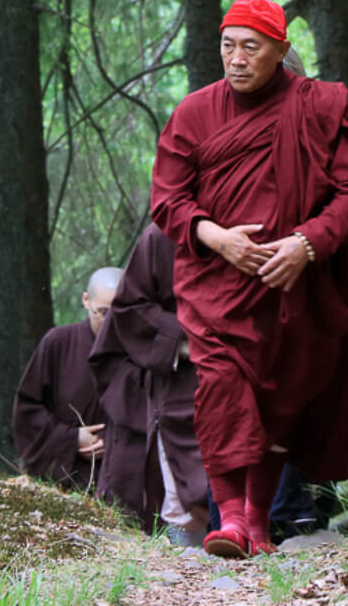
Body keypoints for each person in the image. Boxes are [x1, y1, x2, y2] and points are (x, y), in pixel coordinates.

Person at [150, 0, 348, 558]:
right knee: (222, 388)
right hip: (216, 285)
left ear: (281, 50)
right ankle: (230, 518)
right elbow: (167, 200)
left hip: (292, 282)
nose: (235, 59)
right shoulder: (194, 113)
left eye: (250, 48)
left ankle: (256, 522)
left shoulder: (320, 106)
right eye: (227, 46)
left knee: (280, 397)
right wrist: (217, 237)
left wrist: (308, 244)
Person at [89, 224, 208, 546]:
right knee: (185, 509)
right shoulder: (160, 239)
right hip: (168, 405)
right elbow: (110, 364)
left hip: (224, 391)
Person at [12, 268, 120, 492]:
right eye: (103, 312)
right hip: (65, 480)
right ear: (86, 301)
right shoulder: (58, 342)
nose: (111, 322)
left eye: (119, 313)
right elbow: (27, 411)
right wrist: (72, 439)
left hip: (121, 479)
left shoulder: (139, 351)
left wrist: (111, 440)